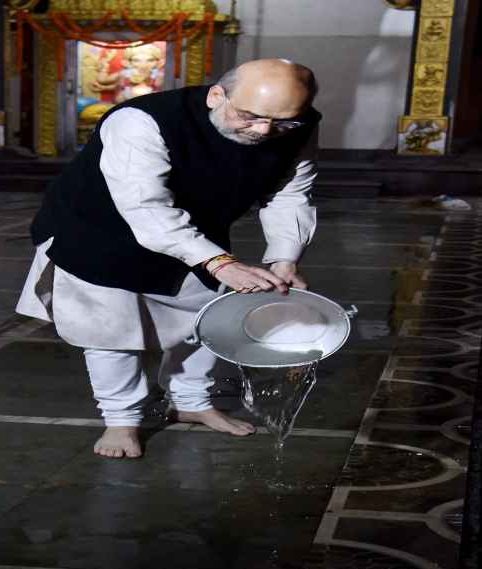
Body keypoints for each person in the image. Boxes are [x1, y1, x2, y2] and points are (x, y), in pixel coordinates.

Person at [16, 59, 320, 458]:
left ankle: (191, 402)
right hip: (96, 232)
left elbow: (289, 193)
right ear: (217, 95)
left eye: (281, 123)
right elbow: (147, 209)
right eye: (249, 116)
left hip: (192, 233)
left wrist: (284, 258)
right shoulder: (140, 122)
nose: (264, 131)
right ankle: (121, 421)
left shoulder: (297, 125)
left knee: (209, 318)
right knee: (111, 334)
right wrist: (220, 263)